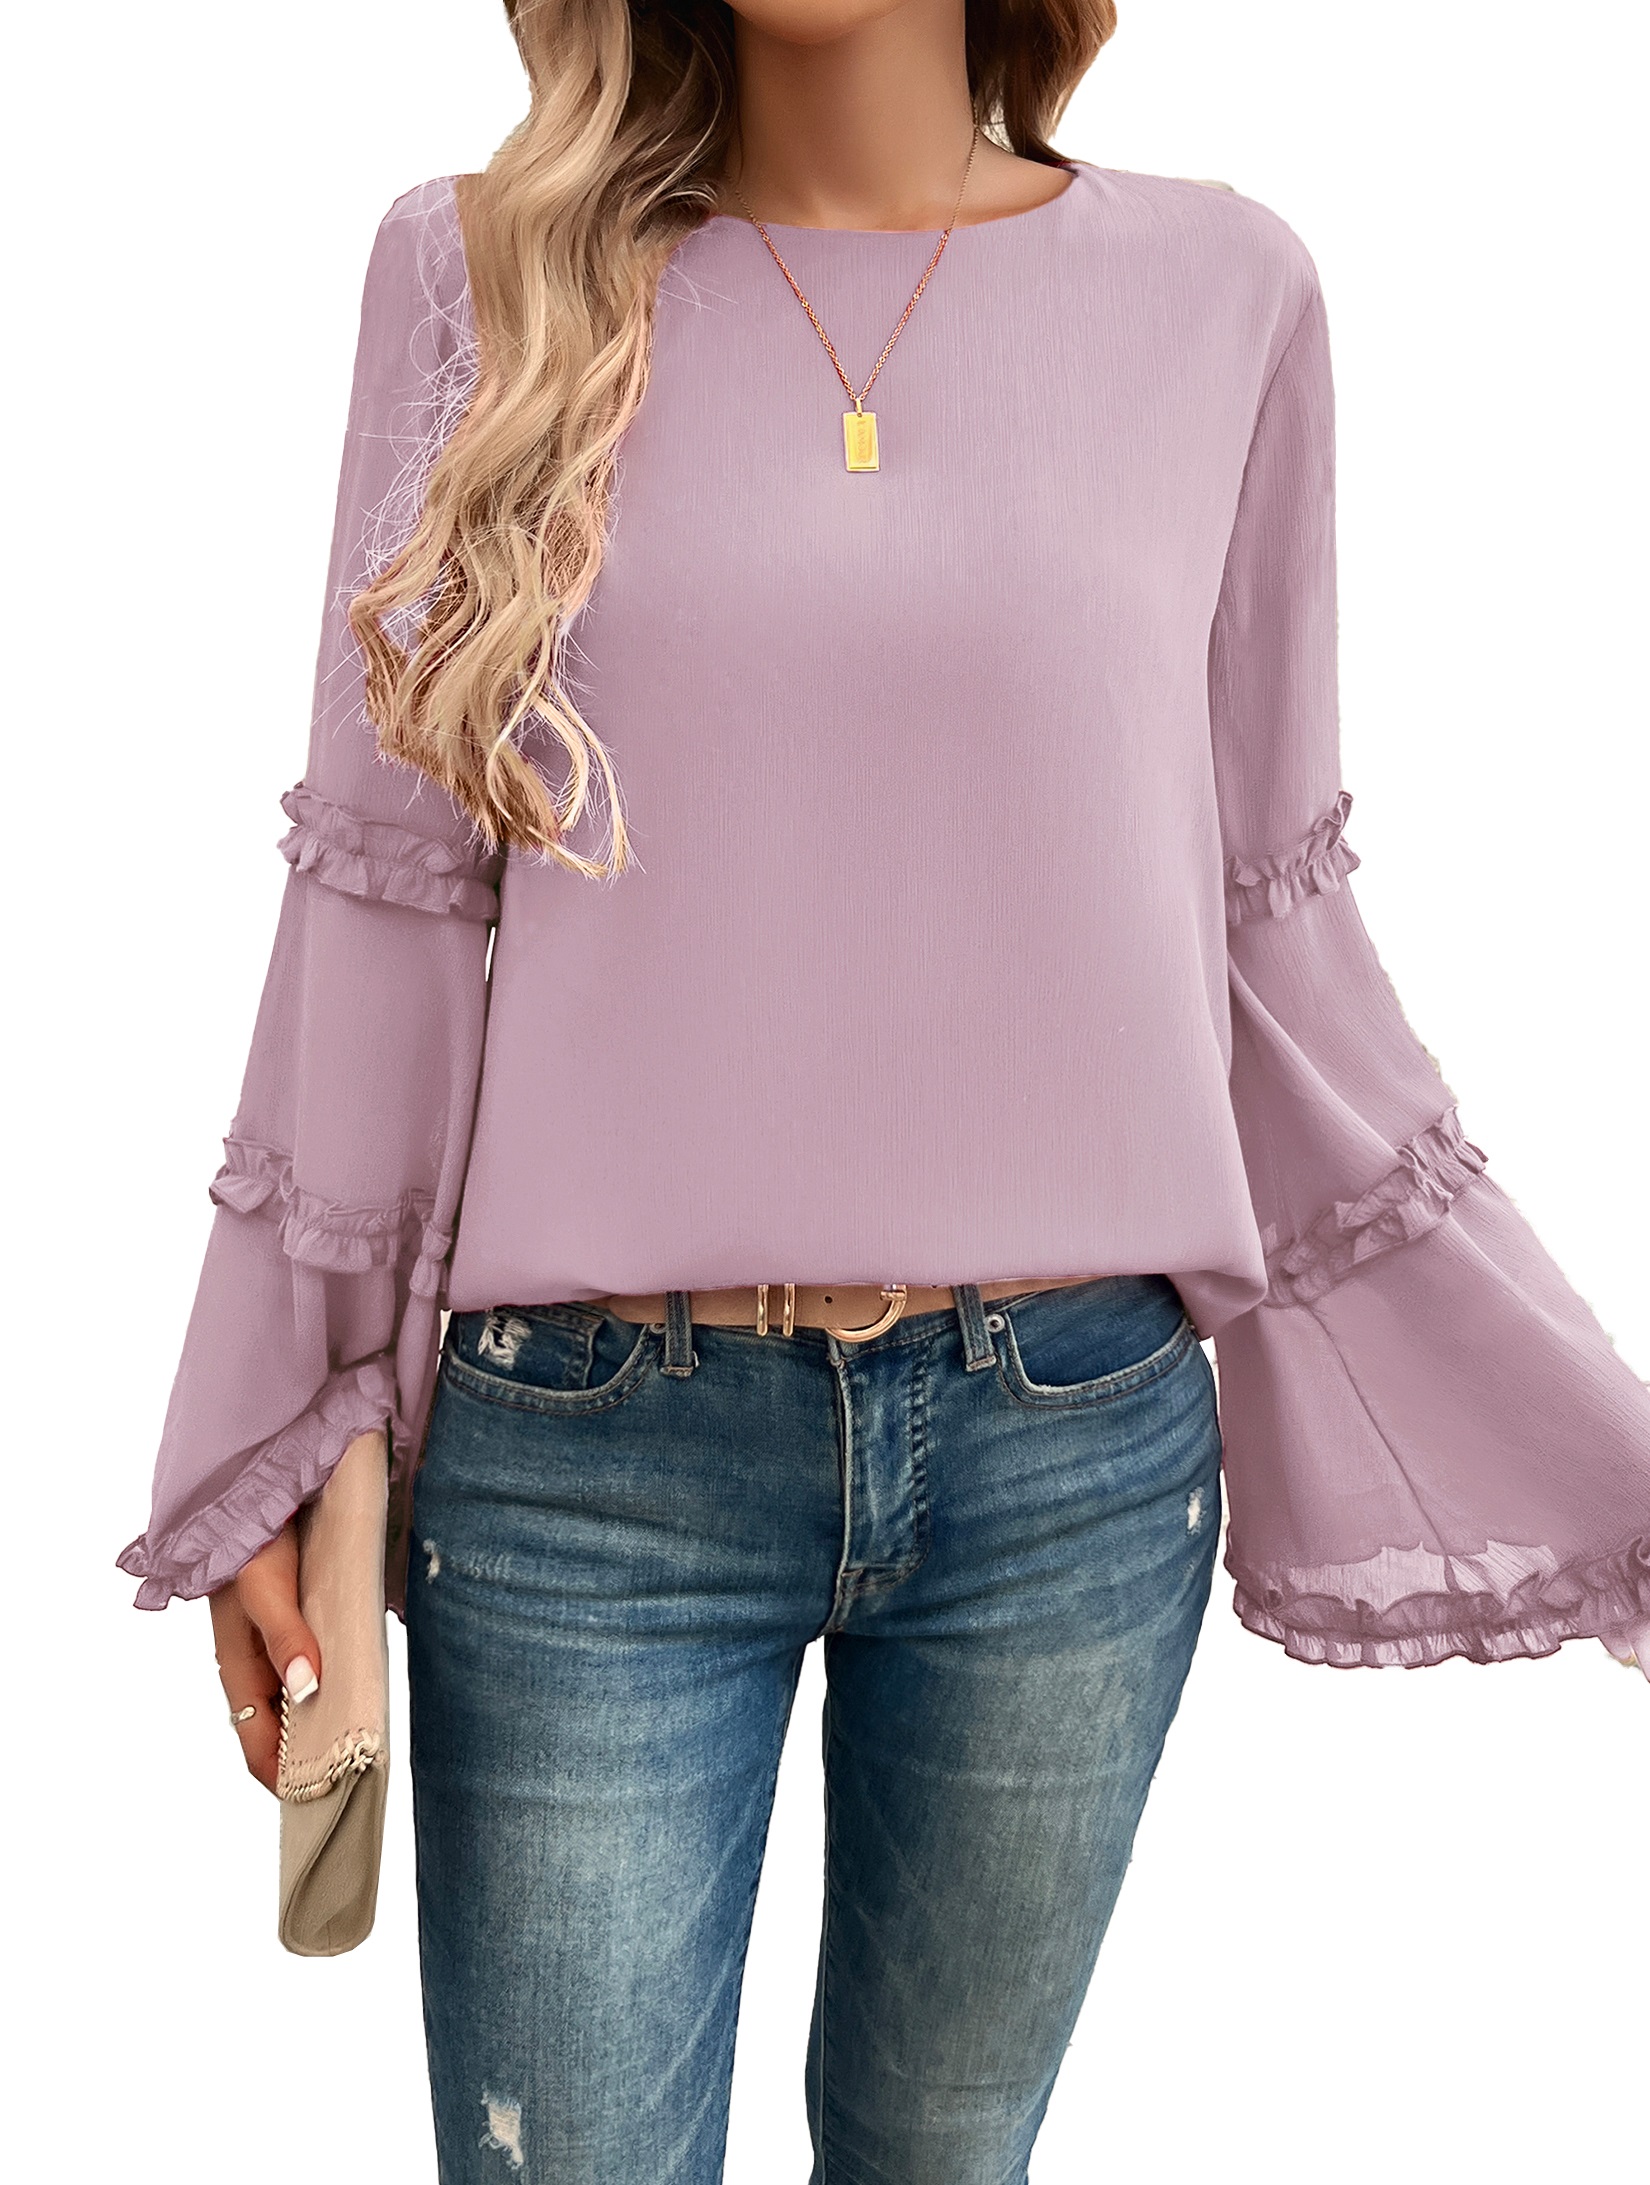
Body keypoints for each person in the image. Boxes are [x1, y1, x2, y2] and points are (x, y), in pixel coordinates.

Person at [118, 0, 1650, 2176]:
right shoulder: (477, 271)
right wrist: (279, 1411)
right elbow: (382, 897)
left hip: (1071, 1460)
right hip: (580, 1471)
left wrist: (1576, 1417)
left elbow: (1264, 932)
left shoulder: (1228, 295)